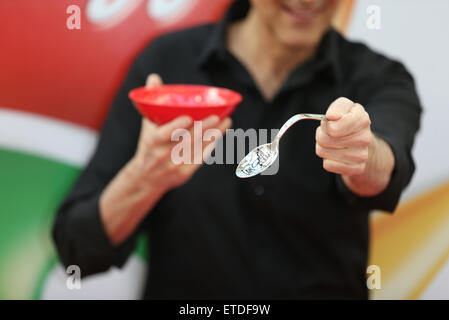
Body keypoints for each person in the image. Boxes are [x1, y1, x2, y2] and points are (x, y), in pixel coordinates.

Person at [53, 0, 421, 299]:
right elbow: (77, 247)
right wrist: (144, 178)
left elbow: (386, 165)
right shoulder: (169, 65)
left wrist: (361, 154)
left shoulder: (379, 78)